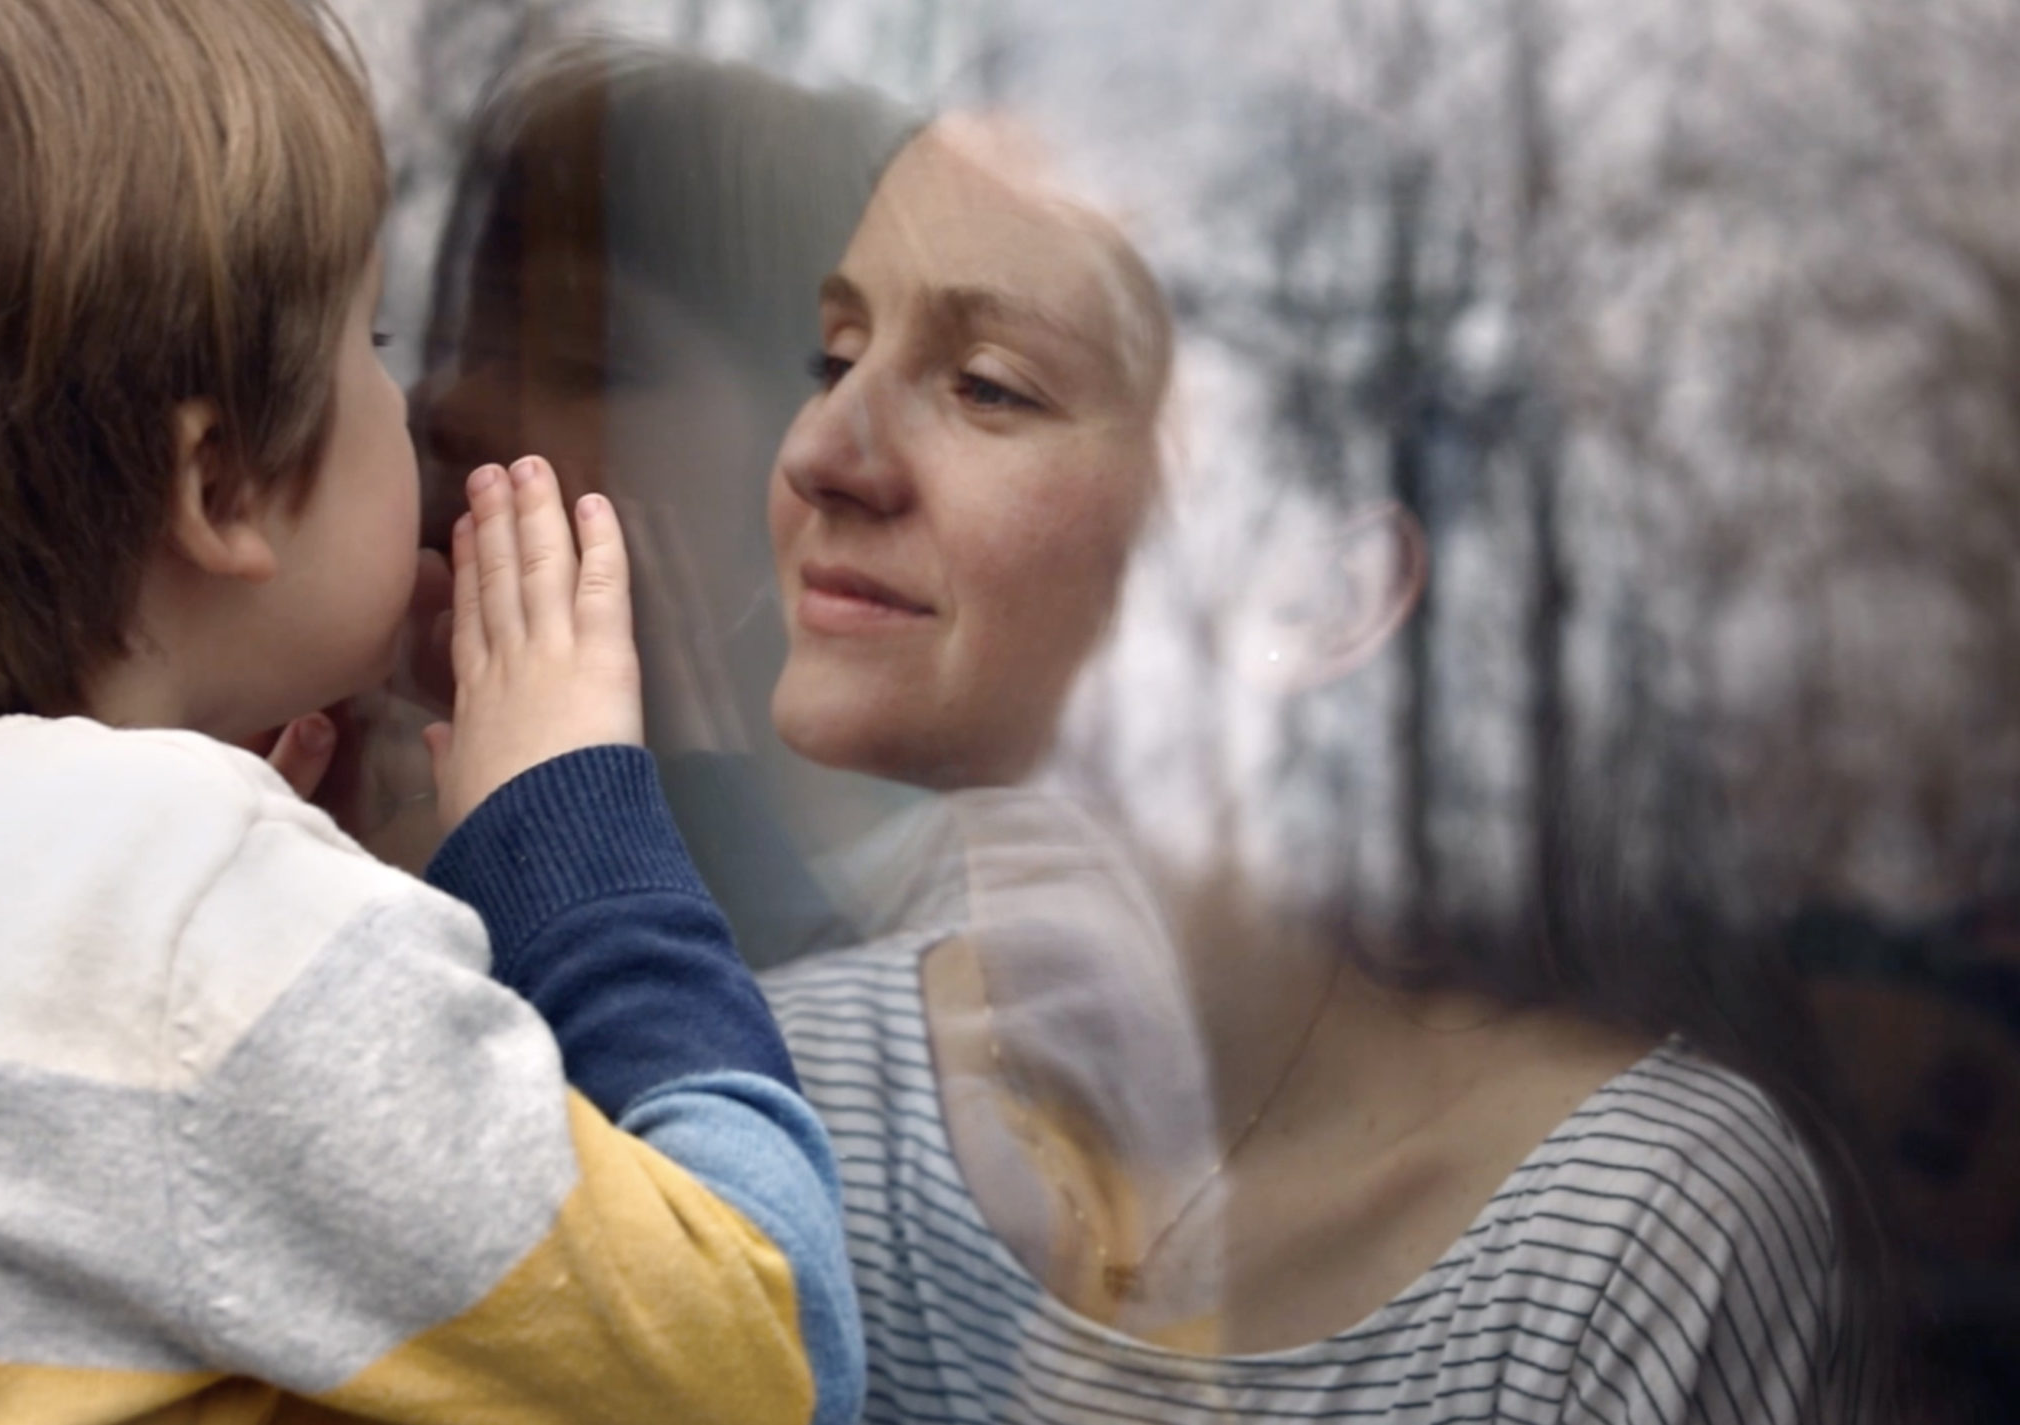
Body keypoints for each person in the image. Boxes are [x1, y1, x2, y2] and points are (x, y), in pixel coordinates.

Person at [0, 2, 859, 1422]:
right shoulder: (196, 934)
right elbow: (766, 1351)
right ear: (218, 486)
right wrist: (571, 838)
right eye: (377, 341)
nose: (429, 405)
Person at [760, 115, 1883, 1423]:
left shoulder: (1629, 1240)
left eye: (990, 385)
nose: (818, 451)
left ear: (1315, 583)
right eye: (832, 356)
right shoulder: (766, 1093)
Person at [409, 40, 917, 964]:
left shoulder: (974, 935)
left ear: (807, 473)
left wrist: (698, 808)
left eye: (590, 368)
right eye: (462, 340)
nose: (449, 402)